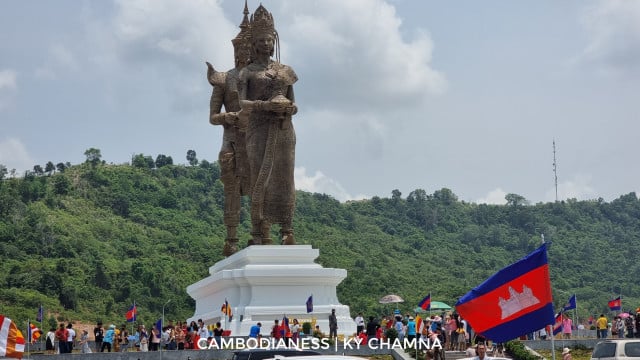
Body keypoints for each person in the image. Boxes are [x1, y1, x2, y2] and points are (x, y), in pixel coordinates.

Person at [238, 4, 299, 246]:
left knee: (285, 177)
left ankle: (287, 228)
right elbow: (242, 102)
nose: (265, 44)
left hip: (284, 129)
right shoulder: (248, 72)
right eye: (261, 40)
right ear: (253, 43)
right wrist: (265, 106)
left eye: (268, 40)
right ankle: (260, 230)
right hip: (259, 128)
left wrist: (288, 108)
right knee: (259, 176)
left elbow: (294, 102)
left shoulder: (285, 71)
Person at [207, 2, 252, 256]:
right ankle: (232, 238)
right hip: (232, 139)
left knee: (261, 186)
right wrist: (231, 116)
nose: (243, 53)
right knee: (232, 188)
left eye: (248, 49)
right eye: (240, 49)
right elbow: (213, 117)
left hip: (257, 139)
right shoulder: (224, 79)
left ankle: (261, 234)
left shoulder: (260, 77)